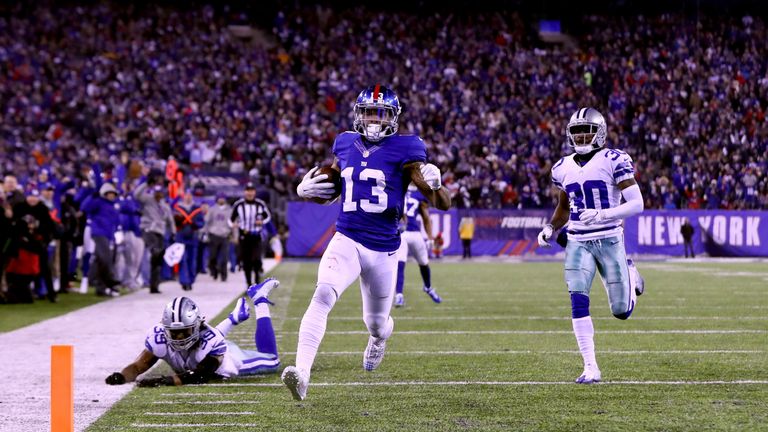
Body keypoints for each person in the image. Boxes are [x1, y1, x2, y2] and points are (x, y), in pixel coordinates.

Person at [281, 85, 451, 401]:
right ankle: (302, 373)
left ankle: (378, 338)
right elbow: (333, 190)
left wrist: (438, 187)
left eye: (381, 113)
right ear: (359, 114)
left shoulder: (407, 149)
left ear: (393, 117)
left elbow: (442, 203)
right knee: (322, 294)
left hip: (385, 249)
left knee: (375, 323)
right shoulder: (345, 143)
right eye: (369, 112)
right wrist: (306, 191)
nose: (374, 118)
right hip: (347, 238)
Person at [537, 107, 645, 385]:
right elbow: (563, 205)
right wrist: (551, 226)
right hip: (578, 240)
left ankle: (631, 273)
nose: (582, 136)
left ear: (600, 132)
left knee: (621, 311)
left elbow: (637, 203)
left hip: (609, 237)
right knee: (577, 298)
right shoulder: (561, 167)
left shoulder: (614, 159)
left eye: (587, 130)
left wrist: (603, 214)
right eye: (576, 131)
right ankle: (590, 366)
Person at [104, 278, 281, 387]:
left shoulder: (211, 341)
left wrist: (164, 380)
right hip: (206, 349)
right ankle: (233, 318)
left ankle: (259, 300)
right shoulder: (159, 337)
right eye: (175, 332)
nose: (179, 338)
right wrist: (122, 376)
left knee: (273, 360)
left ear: (196, 326)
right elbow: (137, 367)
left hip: (229, 360)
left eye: (184, 331)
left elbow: (202, 375)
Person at [394, 185, 441, 307]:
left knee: (424, 263)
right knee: (400, 262)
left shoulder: (420, 194)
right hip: (401, 233)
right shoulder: (398, 186)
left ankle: (428, 287)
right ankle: (399, 295)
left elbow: (426, 217)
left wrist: (430, 237)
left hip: (415, 233)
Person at [13, 190, 57, 302]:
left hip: (37, 243)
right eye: (30, 196)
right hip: (22, 244)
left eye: (35, 197)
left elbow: (49, 227)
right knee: (21, 271)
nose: (32, 199)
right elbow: (15, 226)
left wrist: (44, 240)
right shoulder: (19, 208)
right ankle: (22, 293)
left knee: (45, 268)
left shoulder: (43, 209)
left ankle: (51, 294)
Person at [81, 183, 122, 297]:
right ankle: (111, 281)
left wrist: (117, 232)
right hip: (98, 233)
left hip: (110, 235)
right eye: (109, 193)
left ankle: (100, 287)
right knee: (105, 258)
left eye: (113, 194)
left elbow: (116, 221)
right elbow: (85, 207)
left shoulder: (114, 206)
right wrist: (92, 197)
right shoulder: (98, 202)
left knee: (102, 260)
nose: (111, 196)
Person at [134, 181, 176, 294]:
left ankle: (154, 285)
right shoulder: (148, 200)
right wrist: (146, 183)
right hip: (148, 229)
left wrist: (173, 232)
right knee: (154, 251)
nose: (158, 194)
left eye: (160, 192)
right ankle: (153, 250)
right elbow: (136, 194)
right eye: (157, 192)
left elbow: (170, 220)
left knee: (157, 260)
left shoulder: (165, 206)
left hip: (160, 232)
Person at [230, 183, 271, 287]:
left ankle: (257, 282)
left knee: (256, 260)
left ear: (255, 192)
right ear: (245, 192)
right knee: (246, 261)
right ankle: (249, 284)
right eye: (248, 190)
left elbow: (268, 217)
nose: (250, 193)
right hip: (244, 236)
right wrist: (233, 225)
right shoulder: (239, 204)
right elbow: (230, 220)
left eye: (252, 190)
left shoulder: (260, 204)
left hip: (256, 235)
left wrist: (262, 222)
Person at [173, 193, 205, 291]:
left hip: (193, 238)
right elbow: (172, 221)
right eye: (186, 195)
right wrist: (177, 220)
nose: (188, 197)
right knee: (183, 260)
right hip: (181, 238)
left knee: (192, 261)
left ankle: (191, 280)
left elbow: (201, 222)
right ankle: (184, 281)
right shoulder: (177, 208)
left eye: (190, 195)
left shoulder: (196, 209)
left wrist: (196, 224)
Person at [204, 193, 233, 281]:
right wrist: (205, 233)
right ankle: (214, 271)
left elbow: (233, 223)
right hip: (214, 234)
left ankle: (224, 275)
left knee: (224, 257)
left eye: (223, 198)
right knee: (213, 256)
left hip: (225, 235)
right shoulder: (212, 209)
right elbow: (206, 222)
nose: (221, 200)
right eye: (220, 198)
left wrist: (234, 235)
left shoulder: (230, 210)